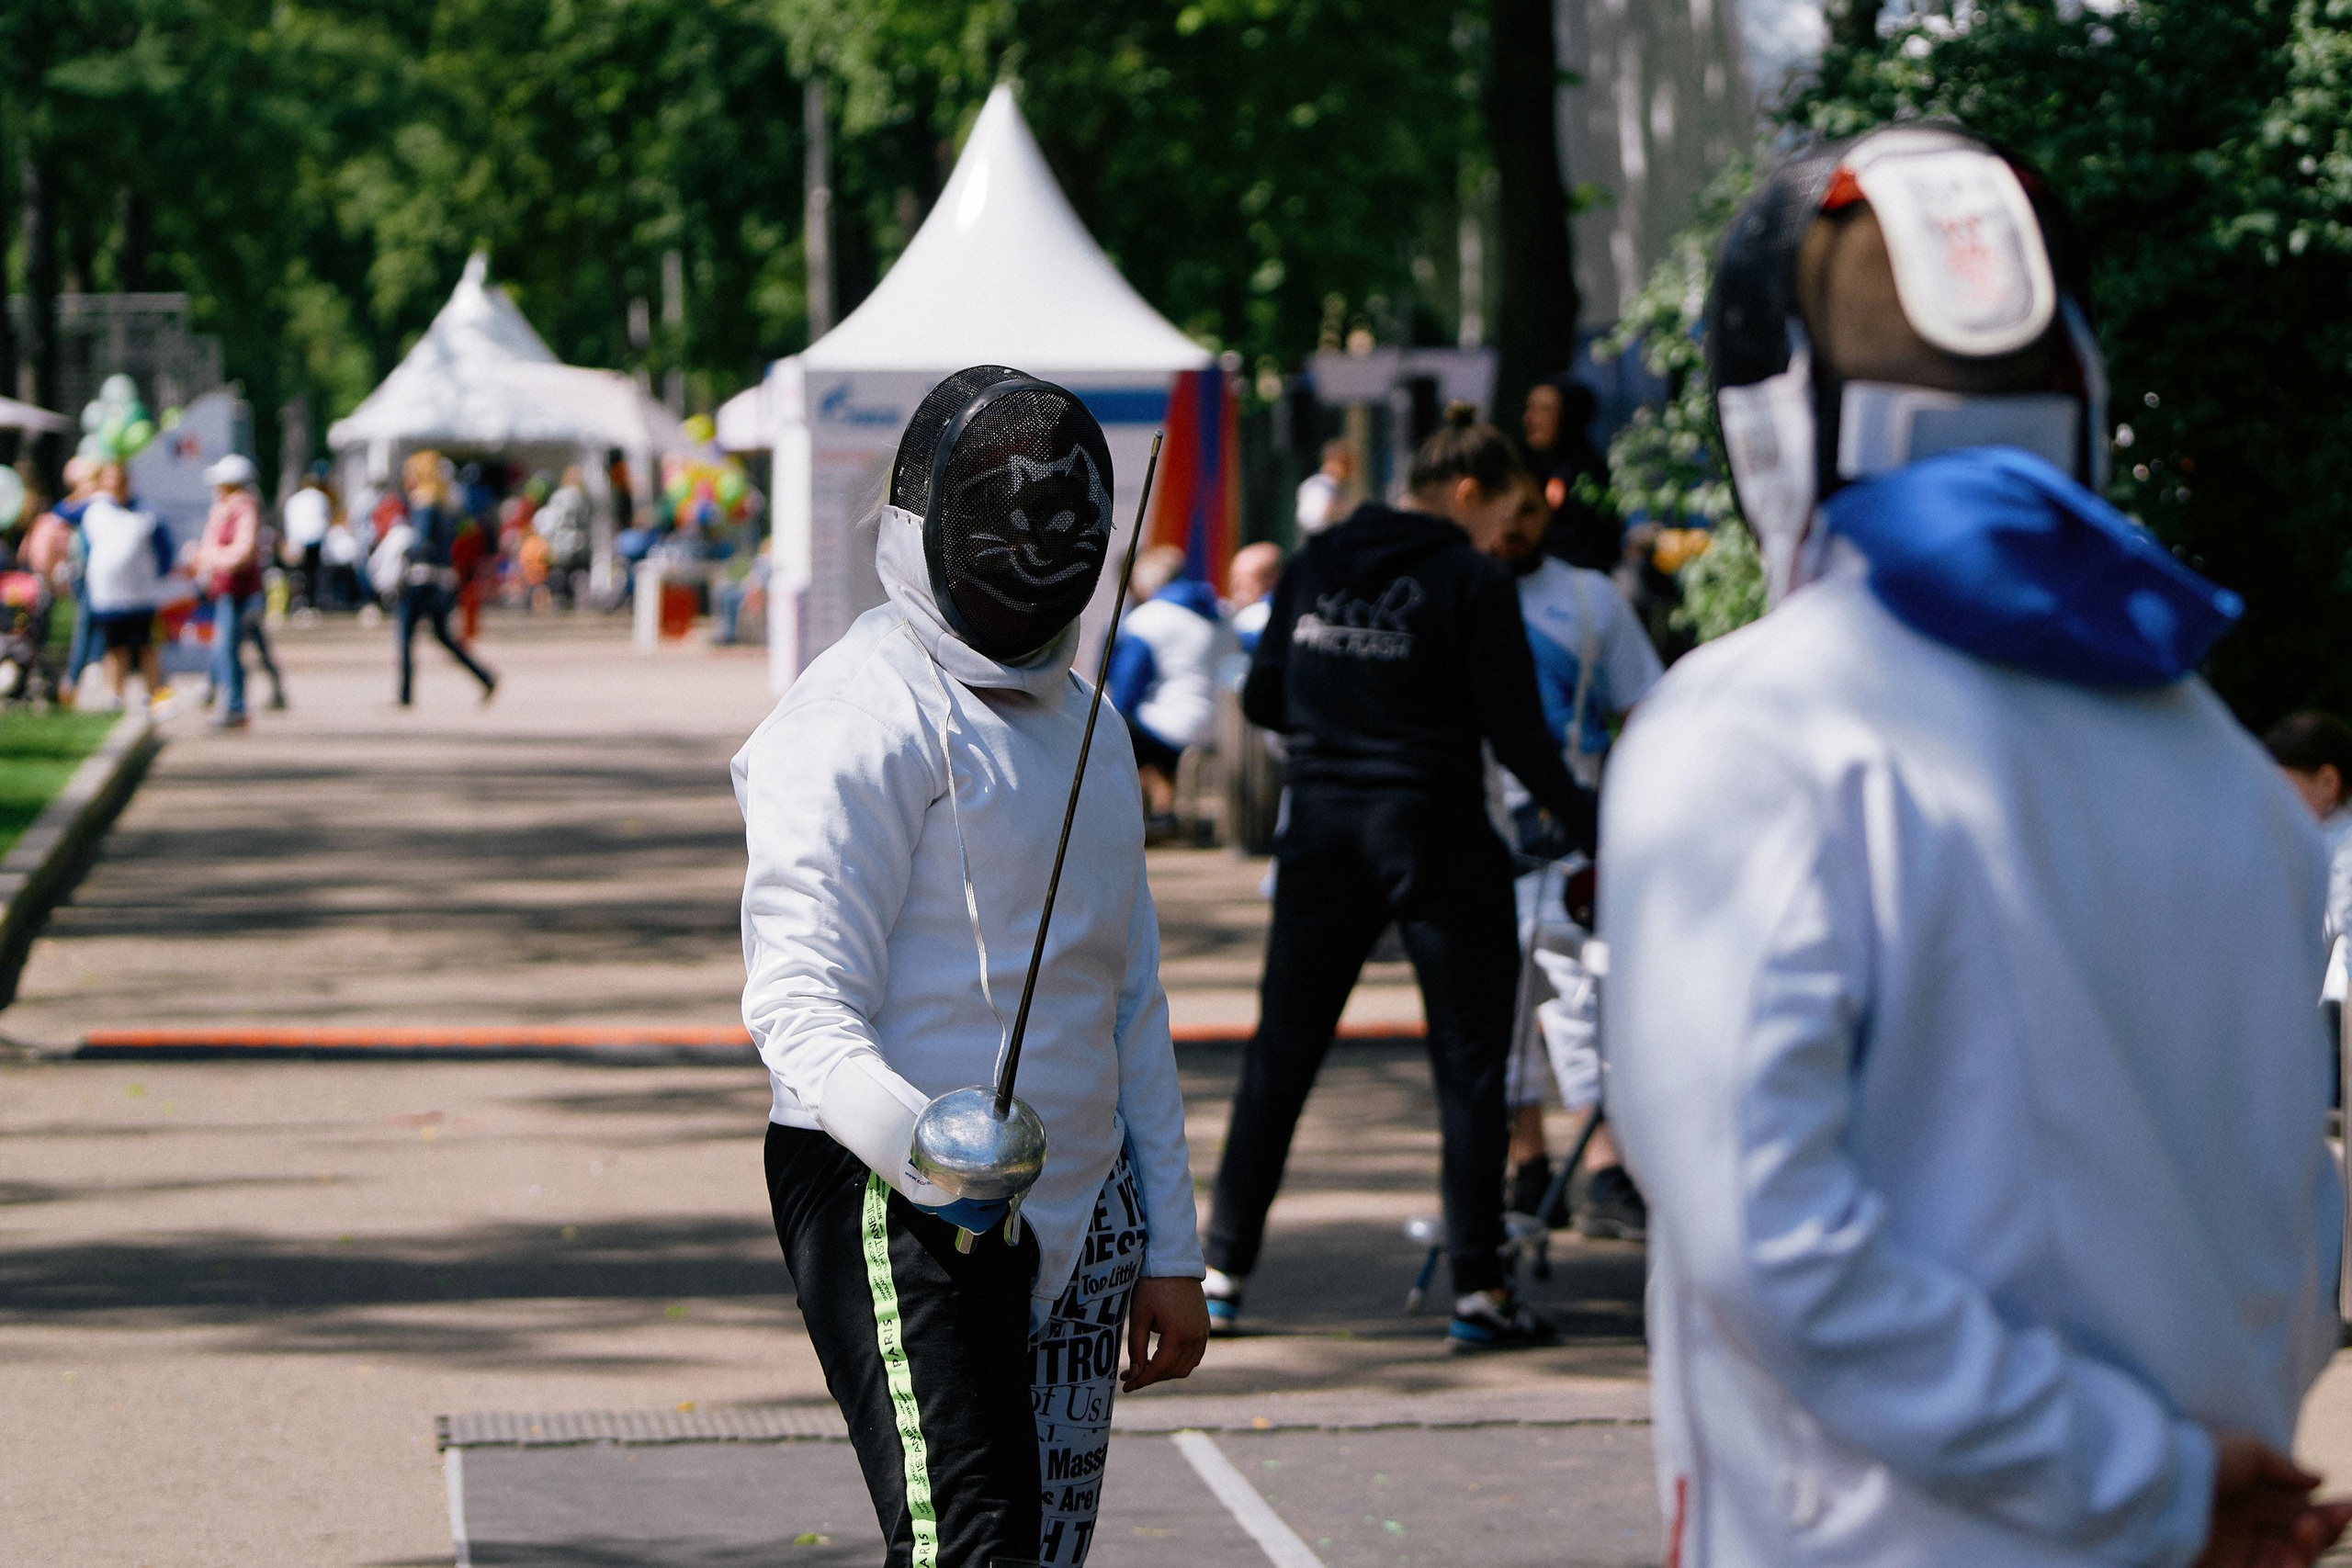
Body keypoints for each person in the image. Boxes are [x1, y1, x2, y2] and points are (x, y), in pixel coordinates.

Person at [1603, 124, 2348, 1567]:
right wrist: (2190, 1474)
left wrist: (2143, 1476)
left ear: (1769, 424)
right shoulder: (2237, 775)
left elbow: (1770, 1235)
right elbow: (2296, 1225)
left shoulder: (1752, 732)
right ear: (2085, 395)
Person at [736, 366, 1207, 1567]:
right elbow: (797, 1000)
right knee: (970, 1548)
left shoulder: (1093, 725)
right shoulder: (855, 717)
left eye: (1060, 518)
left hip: (1085, 1207)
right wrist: (931, 1159)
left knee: (1041, 1552)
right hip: (895, 1198)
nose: (1035, 542)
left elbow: (1129, 995)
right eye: (1007, 514)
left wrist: (1170, 1246)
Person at [1200, 406, 1597, 1350]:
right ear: (1466, 492)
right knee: (1468, 1066)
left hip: (1322, 835)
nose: (1506, 537)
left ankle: (1221, 1271)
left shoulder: (1316, 561)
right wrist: (1600, 828)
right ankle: (1479, 1292)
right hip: (1438, 834)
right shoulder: (1471, 579)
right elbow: (1520, 738)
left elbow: (1264, 695)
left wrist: (1341, 717)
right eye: (1504, 514)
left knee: (1281, 1054)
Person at [1476, 475, 1661, 1235]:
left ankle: (1605, 1167)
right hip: (1482, 830)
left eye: (1527, 510)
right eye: (1500, 511)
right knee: (1496, 1008)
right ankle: (1527, 1165)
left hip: (1574, 837)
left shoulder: (1590, 600)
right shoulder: (1457, 593)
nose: (1513, 526)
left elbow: (1646, 709)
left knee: (1582, 1002)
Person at [1108, 545, 1234, 839]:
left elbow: (1125, 691)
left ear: (1145, 583)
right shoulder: (1222, 612)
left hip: (1172, 730)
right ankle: (1163, 810)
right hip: (1221, 728)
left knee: (1110, 723)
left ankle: (1135, 816)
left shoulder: (1147, 618)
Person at [2265, 710, 2352, 1056]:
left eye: (2284, 787)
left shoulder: (2343, 845)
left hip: (2333, 1014)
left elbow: (2330, 926)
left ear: (2328, 782)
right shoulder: (2309, 836)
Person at [393, 450, 497, 707]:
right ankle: (484, 676)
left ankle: (405, 695)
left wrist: (401, 549)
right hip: (442, 579)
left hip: (420, 579)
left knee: (404, 634)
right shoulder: (447, 503)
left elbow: (422, 544)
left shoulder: (423, 503)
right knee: (443, 636)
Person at [77, 462, 175, 711]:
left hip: (141, 595)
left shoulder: (146, 512)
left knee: (146, 647)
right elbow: (84, 545)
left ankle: (155, 695)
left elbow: (164, 549)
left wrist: (158, 575)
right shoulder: (94, 512)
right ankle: (115, 696)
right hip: (108, 596)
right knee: (114, 648)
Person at [195, 455, 281, 728]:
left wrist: (208, 556)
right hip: (228, 589)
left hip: (238, 591)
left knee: (228, 648)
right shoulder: (225, 509)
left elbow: (241, 553)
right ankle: (227, 696)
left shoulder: (243, 509)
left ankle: (234, 706)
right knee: (234, 646)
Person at [1521, 377, 1617, 571]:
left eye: (1544, 410)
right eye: (1530, 408)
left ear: (1569, 416)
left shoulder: (1588, 473)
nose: (1530, 419)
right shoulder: (1526, 465)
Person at [281, 462, 334, 612]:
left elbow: (290, 520)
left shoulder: (295, 499)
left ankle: (299, 601)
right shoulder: (321, 497)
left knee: (300, 572)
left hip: (299, 538)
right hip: (315, 537)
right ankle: (312, 601)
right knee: (314, 571)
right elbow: (327, 517)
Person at [1224, 541, 1283, 653]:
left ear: (1271, 580)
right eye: (1234, 577)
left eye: (1244, 578)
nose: (1236, 586)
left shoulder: (1262, 617)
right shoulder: (1229, 613)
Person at [1293, 438, 1353, 537]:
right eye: (1345, 464)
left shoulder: (1336, 487)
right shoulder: (1316, 485)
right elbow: (1308, 519)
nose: (1348, 471)